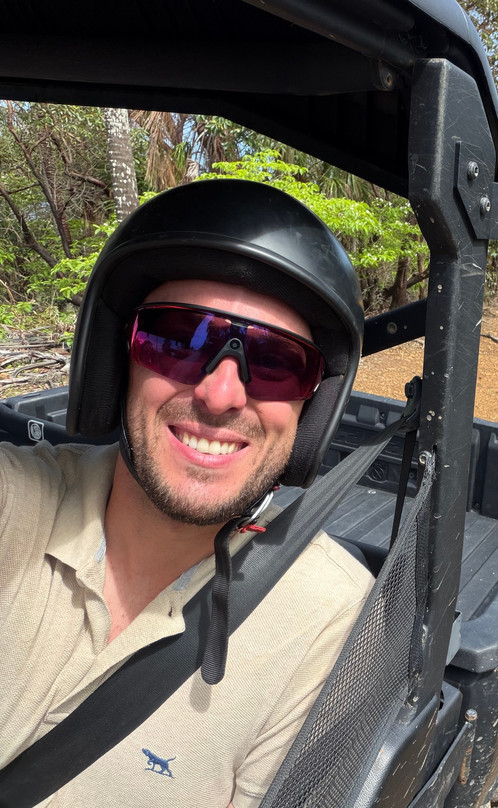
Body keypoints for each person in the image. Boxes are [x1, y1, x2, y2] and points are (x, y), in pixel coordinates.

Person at [0, 179, 373, 807]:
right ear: (116, 360)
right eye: (177, 339)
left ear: (313, 408)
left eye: (276, 361)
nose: (221, 395)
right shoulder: (16, 500)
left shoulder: (328, 620)